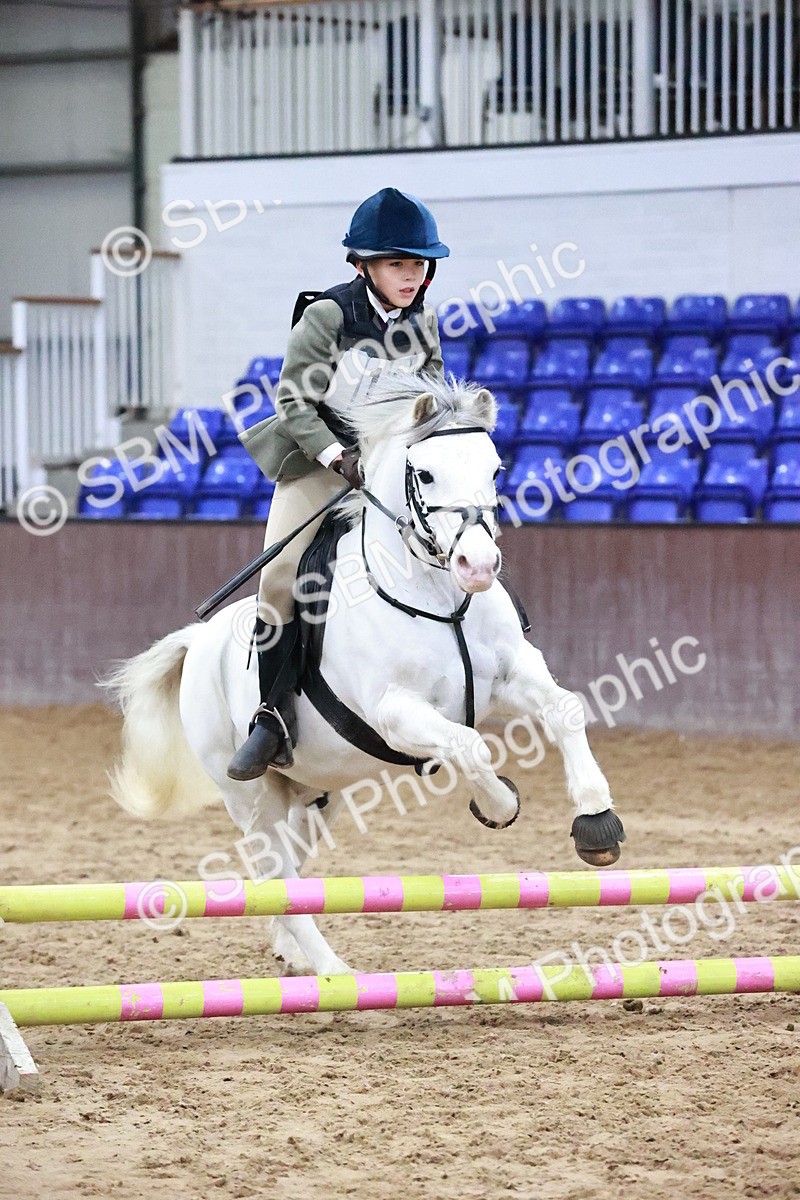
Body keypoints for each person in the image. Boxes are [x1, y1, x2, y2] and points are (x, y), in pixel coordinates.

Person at [228, 187, 450, 781]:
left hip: (388, 469)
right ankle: (272, 718)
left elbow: (429, 401)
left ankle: (446, 701)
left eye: (419, 263)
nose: (413, 274)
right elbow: (295, 400)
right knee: (279, 580)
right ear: (363, 266)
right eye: (399, 263)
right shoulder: (326, 315)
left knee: (446, 547)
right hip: (318, 461)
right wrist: (337, 458)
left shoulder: (423, 321)